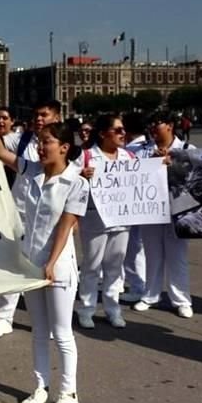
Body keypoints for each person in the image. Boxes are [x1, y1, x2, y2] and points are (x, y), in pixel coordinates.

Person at [0, 101, 88, 403]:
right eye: (39, 143)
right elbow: (0, 153)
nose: (40, 147)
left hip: (58, 268)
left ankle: (69, 395)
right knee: (38, 331)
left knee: (61, 332)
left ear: (64, 147)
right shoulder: (32, 171)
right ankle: (41, 388)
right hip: (30, 264)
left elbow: (66, 228)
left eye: (47, 142)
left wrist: (51, 264)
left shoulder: (77, 183)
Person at [0, 100, 62, 335]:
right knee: (14, 264)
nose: (38, 118)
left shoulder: (65, 144)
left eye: (44, 114)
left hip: (50, 219)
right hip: (20, 214)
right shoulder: (22, 140)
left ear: (56, 117)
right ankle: (4, 317)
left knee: (50, 267)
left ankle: (54, 320)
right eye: (36, 114)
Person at [133, 112, 195, 318]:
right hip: (150, 209)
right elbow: (133, 174)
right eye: (151, 124)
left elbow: (196, 176)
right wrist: (151, 161)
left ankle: (181, 300)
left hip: (177, 209)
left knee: (177, 256)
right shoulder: (143, 151)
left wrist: (173, 165)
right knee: (152, 254)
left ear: (169, 126)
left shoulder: (188, 149)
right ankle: (150, 295)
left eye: (157, 124)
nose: (153, 128)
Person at [76, 114, 134, 328]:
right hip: (95, 219)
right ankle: (87, 309)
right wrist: (81, 175)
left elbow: (145, 179)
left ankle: (112, 309)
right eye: (117, 130)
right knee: (91, 266)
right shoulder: (86, 156)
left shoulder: (128, 157)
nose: (122, 133)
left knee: (114, 267)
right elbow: (69, 178)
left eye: (123, 129)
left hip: (121, 219)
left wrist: (161, 162)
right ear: (103, 134)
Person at [120, 112, 149, 303]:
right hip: (148, 203)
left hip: (131, 205)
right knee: (141, 248)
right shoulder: (148, 148)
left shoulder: (129, 151)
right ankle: (142, 286)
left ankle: (138, 287)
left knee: (132, 248)